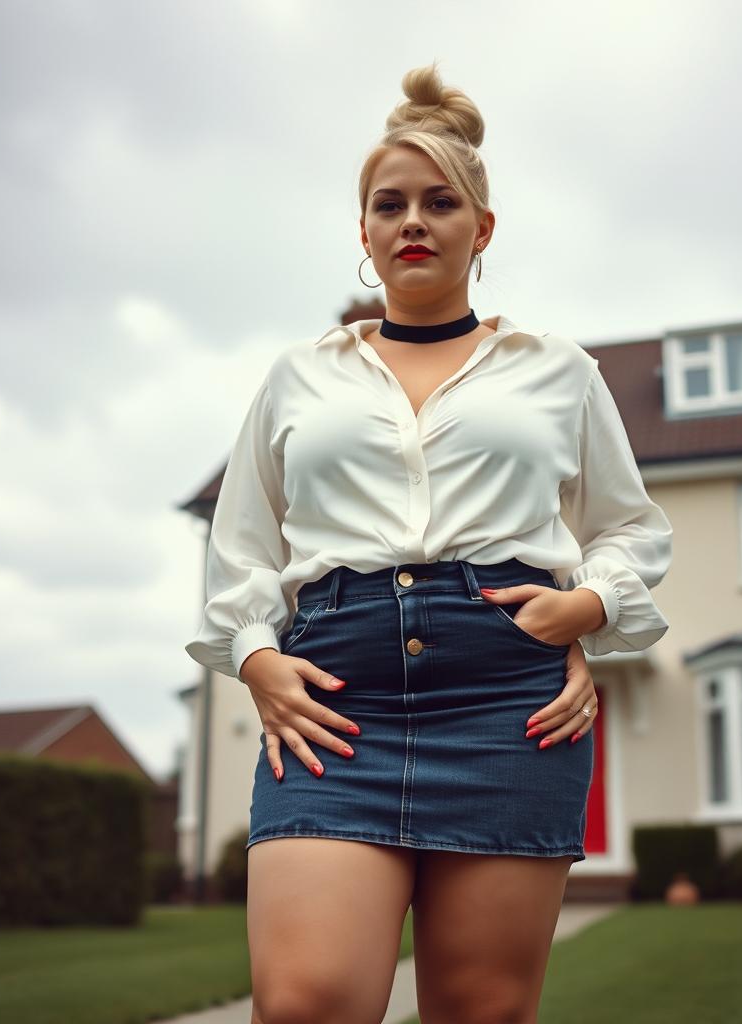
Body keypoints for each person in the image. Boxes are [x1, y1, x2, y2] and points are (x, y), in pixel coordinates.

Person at [185, 60, 673, 1024]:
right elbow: (239, 548)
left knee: (481, 1012)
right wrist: (255, 658)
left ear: (480, 229)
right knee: (306, 1002)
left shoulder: (559, 372)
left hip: (505, 701)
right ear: (363, 234)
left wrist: (588, 605)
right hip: (332, 707)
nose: (413, 220)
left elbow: (629, 528)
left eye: (439, 202)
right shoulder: (298, 378)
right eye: (389, 204)